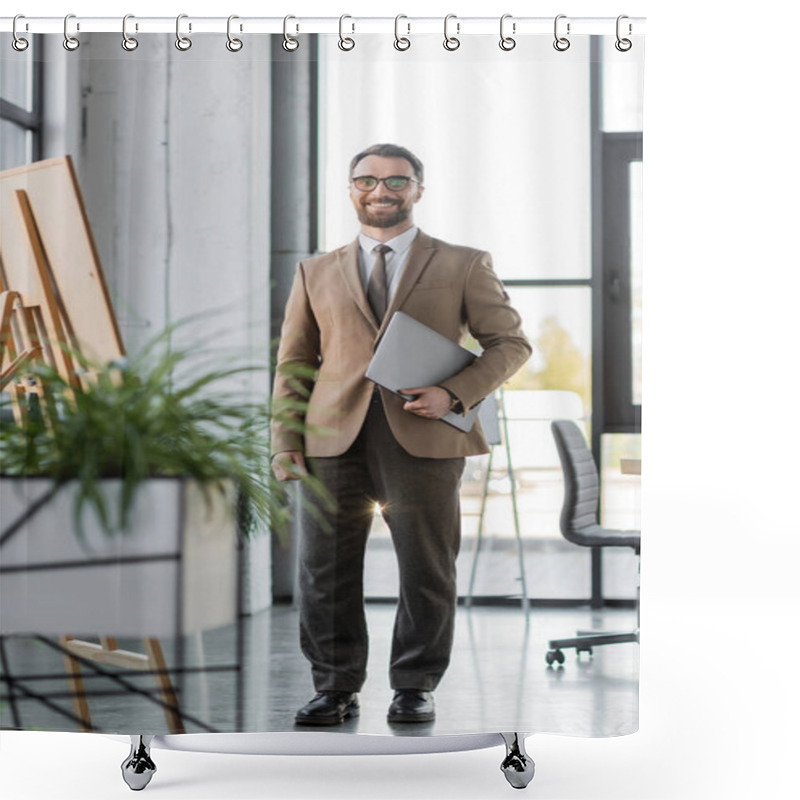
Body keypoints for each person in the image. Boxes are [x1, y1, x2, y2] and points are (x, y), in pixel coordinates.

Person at [271, 143, 531, 726]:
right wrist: (283, 440)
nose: (380, 191)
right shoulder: (315, 271)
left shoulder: (463, 262)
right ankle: (334, 688)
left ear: (418, 189)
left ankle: (414, 684)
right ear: (351, 188)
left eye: (396, 181)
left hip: (425, 434)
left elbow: (511, 344)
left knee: (427, 565)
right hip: (329, 437)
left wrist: (455, 393)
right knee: (323, 570)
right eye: (367, 180)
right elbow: (294, 364)